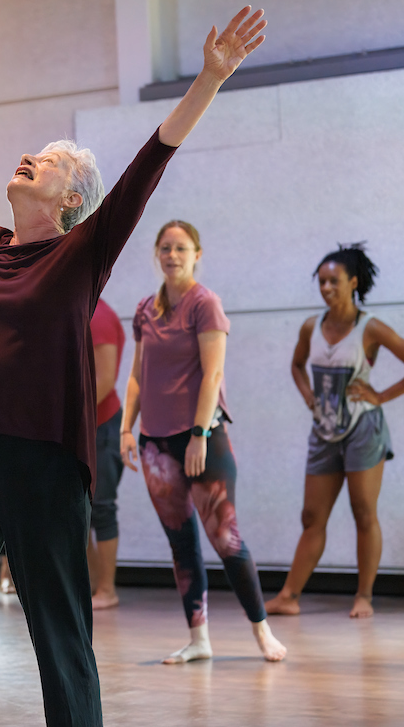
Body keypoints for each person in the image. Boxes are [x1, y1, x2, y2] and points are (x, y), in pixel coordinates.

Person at [0, 5, 268, 727]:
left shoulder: (83, 251)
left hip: (46, 464)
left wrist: (208, 77)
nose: (29, 159)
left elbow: (151, 159)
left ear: (72, 196)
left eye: (47, 160)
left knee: (60, 631)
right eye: (32, 153)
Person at [121, 221, 286, 663]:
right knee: (181, 542)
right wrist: (125, 429)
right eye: (165, 248)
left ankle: (262, 631)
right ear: (157, 254)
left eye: (181, 248)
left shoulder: (204, 304)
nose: (172, 255)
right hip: (155, 443)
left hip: (203, 439)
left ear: (197, 254)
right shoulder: (144, 310)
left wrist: (198, 434)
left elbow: (212, 374)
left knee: (225, 538)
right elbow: (137, 376)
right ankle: (199, 639)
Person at [265, 243, 404, 619]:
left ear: (353, 282)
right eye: (321, 281)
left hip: (363, 430)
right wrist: (309, 396)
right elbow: (296, 366)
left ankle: (364, 596)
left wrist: (380, 395)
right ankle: (289, 596)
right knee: (312, 516)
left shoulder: (369, 327)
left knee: (363, 512)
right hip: (324, 432)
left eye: (334, 281)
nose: (326, 288)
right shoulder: (311, 325)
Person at [87, 297, 124, 610]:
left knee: (101, 508)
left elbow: (105, 380)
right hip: (81, 427)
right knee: (79, 512)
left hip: (102, 426)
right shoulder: (78, 308)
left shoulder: (99, 316)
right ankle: (92, 585)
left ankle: (107, 589)